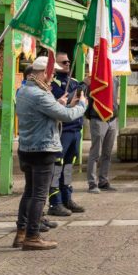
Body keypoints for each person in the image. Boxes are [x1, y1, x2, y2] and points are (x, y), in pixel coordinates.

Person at [16, 56, 88, 251]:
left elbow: (45, 113)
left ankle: (21, 232)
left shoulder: (24, 90)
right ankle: (32, 235)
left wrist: (60, 103)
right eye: (50, 73)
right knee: (39, 195)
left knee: (29, 192)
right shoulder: (40, 94)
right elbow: (66, 116)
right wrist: (81, 105)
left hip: (27, 148)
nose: (53, 76)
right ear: (41, 73)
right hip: (43, 148)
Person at [48, 52, 85, 216]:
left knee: (69, 167)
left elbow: (81, 100)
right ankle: (55, 201)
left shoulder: (75, 82)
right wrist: (72, 99)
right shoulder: (53, 84)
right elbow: (60, 104)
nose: (68, 64)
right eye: (64, 62)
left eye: (69, 61)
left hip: (76, 130)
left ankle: (67, 197)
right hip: (63, 131)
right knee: (57, 167)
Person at [86, 77, 119, 193]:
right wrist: (91, 116)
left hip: (112, 119)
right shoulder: (95, 79)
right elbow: (88, 100)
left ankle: (103, 181)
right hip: (98, 119)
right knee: (95, 153)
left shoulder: (115, 80)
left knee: (107, 153)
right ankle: (92, 183)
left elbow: (114, 99)